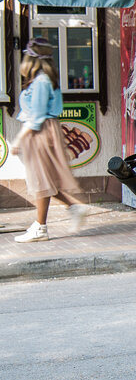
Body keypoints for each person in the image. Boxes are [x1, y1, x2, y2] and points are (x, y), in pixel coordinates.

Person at [9, 37, 89, 242]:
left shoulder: (42, 82)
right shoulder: (42, 80)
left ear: (31, 59)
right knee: (44, 180)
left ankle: (41, 227)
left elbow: (36, 116)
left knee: (41, 180)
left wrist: (18, 140)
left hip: (40, 133)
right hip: (43, 131)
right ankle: (73, 208)